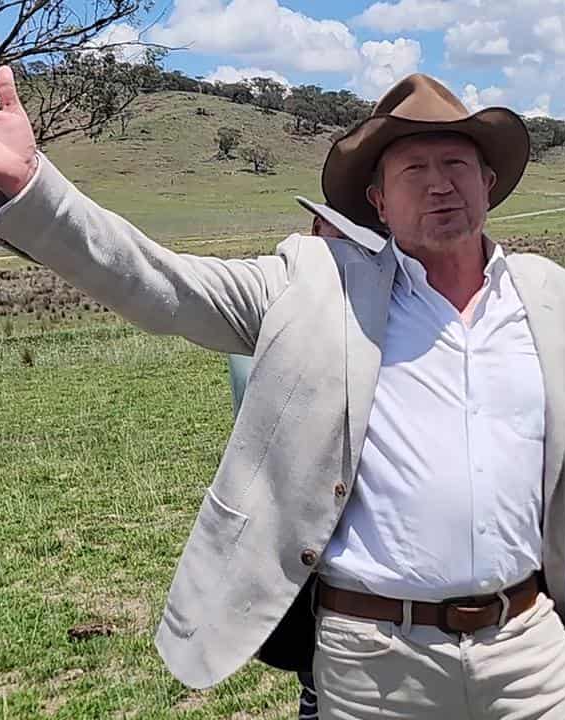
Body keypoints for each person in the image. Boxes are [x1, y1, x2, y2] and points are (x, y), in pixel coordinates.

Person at [0, 65, 565, 719]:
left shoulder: (557, 299)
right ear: (379, 205)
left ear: (488, 183)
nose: (439, 186)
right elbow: (162, 285)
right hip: (374, 660)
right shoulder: (314, 281)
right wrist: (35, 186)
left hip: (529, 644)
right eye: (413, 171)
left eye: (456, 165)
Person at [229, 200, 370, 720]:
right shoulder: (276, 299)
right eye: (344, 229)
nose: (356, 242)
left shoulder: (374, 300)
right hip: (298, 497)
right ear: (316, 229)